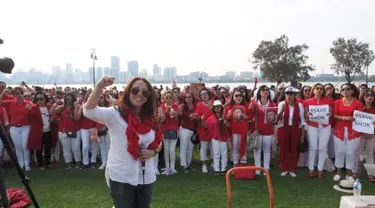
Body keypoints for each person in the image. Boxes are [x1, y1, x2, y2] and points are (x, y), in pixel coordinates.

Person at [83, 76, 162, 208]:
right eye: (135, 90)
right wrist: (100, 86)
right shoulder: (115, 114)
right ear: (128, 92)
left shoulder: (151, 118)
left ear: (149, 96)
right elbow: (89, 111)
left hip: (146, 176)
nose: (139, 95)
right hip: (121, 176)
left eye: (145, 92)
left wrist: (153, 152)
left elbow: (158, 142)